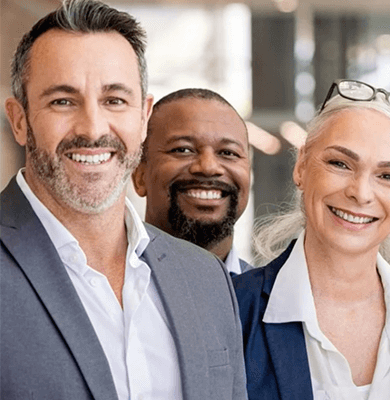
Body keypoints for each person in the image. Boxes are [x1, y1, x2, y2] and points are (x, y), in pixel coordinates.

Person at [0, 1, 246, 399]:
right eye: (63, 101)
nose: (93, 128)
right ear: (20, 119)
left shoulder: (205, 280)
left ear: (144, 115)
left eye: (115, 100)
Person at [234, 79, 390, 400]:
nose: (360, 192)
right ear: (301, 166)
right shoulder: (233, 310)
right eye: (340, 164)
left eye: (388, 176)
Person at [134, 88, 254, 275]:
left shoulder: (274, 298)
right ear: (139, 175)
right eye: (183, 150)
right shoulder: (103, 291)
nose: (208, 167)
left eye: (228, 153)